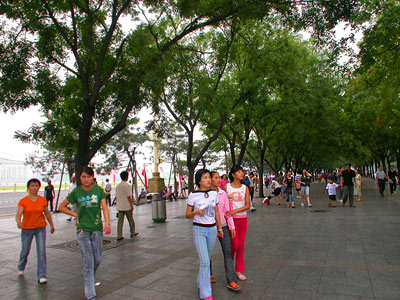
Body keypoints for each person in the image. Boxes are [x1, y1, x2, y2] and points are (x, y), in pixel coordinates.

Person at [58, 166, 111, 300]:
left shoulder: (98, 190)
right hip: (82, 231)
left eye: (88, 177)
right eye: (83, 177)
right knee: (88, 262)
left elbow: (104, 207)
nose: (86, 179)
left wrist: (107, 224)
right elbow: (61, 207)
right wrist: (75, 215)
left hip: (97, 229)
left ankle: (90, 280)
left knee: (97, 260)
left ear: (93, 177)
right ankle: (90, 294)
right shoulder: (76, 192)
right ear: (79, 178)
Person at [186, 169, 223, 300]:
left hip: (212, 229)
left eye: (209, 177)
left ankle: (200, 282)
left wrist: (220, 228)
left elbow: (217, 212)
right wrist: (196, 212)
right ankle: (206, 293)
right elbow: (187, 214)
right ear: (199, 181)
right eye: (205, 178)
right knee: (205, 261)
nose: (209, 180)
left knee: (207, 260)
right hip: (199, 230)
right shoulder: (193, 195)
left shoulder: (214, 193)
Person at [16, 179, 55, 284]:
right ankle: (21, 266)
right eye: (32, 186)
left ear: (39, 187)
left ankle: (42, 275)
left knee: (41, 252)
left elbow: (47, 213)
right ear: (28, 187)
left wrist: (51, 225)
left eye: (36, 186)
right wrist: (18, 222)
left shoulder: (42, 200)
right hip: (27, 229)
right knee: (25, 251)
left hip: (40, 228)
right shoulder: (23, 201)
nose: (34, 188)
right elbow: (19, 214)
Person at [210, 171, 241, 292]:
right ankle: (209, 274)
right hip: (210, 227)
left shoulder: (223, 194)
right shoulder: (206, 194)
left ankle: (231, 281)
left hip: (223, 226)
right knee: (208, 254)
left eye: (219, 178)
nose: (219, 180)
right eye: (216, 178)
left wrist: (231, 227)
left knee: (228, 253)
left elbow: (228, 211)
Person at [224, 165, 251, 281]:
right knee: (234, 244)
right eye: (239, 172)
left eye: (242, 172)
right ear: (233, 174)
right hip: (231, 220)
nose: (242, 174)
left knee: (241, 245)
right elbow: (223, 204)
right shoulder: (226, 188)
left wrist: (235, 210)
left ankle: (239, 270)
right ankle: (229, 264)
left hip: (242, 218)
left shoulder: (245, 188)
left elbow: (248, 205)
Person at [115, 171, 138, 241]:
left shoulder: (118, 186)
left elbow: (116, 196)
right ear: (127, 177)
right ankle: (132, 232)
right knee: (130, 220)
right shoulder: (127, 186)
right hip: (127, 206)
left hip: (120, 206)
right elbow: (129, 196)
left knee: (120, 222)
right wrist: (131, 205)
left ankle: (119, 235)